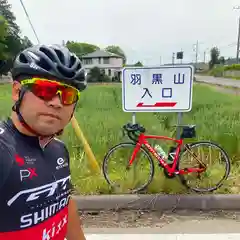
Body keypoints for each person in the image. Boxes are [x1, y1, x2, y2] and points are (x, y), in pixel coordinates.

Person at [0, 44, 87, 240]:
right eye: (45, 90)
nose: (56, 102)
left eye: (67, 95)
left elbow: (65, 205)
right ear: (17, 91)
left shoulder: (58, 149)